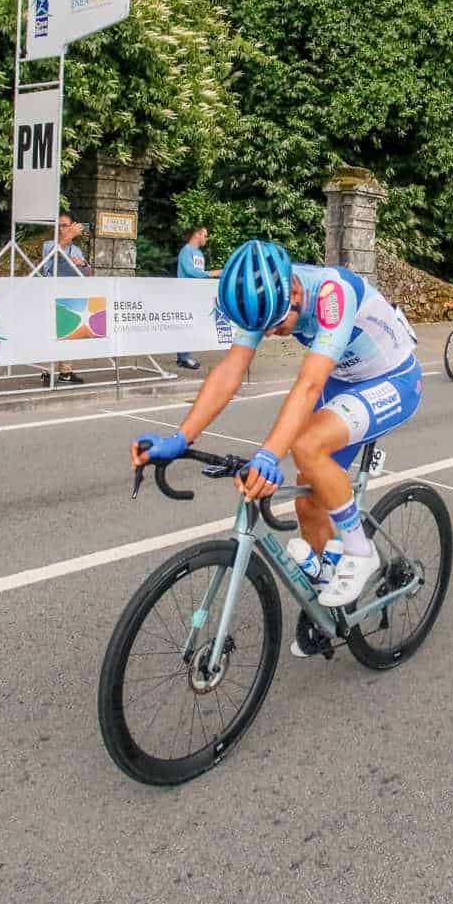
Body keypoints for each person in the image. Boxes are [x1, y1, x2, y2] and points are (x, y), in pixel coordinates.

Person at [130, 240, 421, 623]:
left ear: (296, 292)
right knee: (308, 501)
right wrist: (182, 437)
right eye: (261, 329)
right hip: (345, 381)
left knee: (306, 446)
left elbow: (308, 384)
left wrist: (269, 454)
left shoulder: (331, 293)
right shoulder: (266, 300)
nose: (268, 334)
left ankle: (359, 551)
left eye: (276, 325)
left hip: (392, 378)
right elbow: (231, 371)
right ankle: (330, 603)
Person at [40, 213, 92, 385]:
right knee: (50, 335)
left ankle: (65, 373)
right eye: (60, 226)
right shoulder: (49, 245)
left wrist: (82, 264)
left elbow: (88, 272)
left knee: (68, 334)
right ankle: (47, 372)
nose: (62, 229)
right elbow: (52, 257)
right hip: (50, 294)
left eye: (66, 225)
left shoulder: (76, 249)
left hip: (70, 294)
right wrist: (68, 236)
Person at [173, 226, 221, 371]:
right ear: (197, 235)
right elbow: (191, 272)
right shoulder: (186, 251)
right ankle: (183, 357)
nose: (207, 238)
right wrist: (214, 273)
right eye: (205, 235)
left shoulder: (199, 253)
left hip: (195, 294)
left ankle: (185, 356)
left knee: (191, 325)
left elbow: (198, 274)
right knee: (185, 325)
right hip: (184, 293)